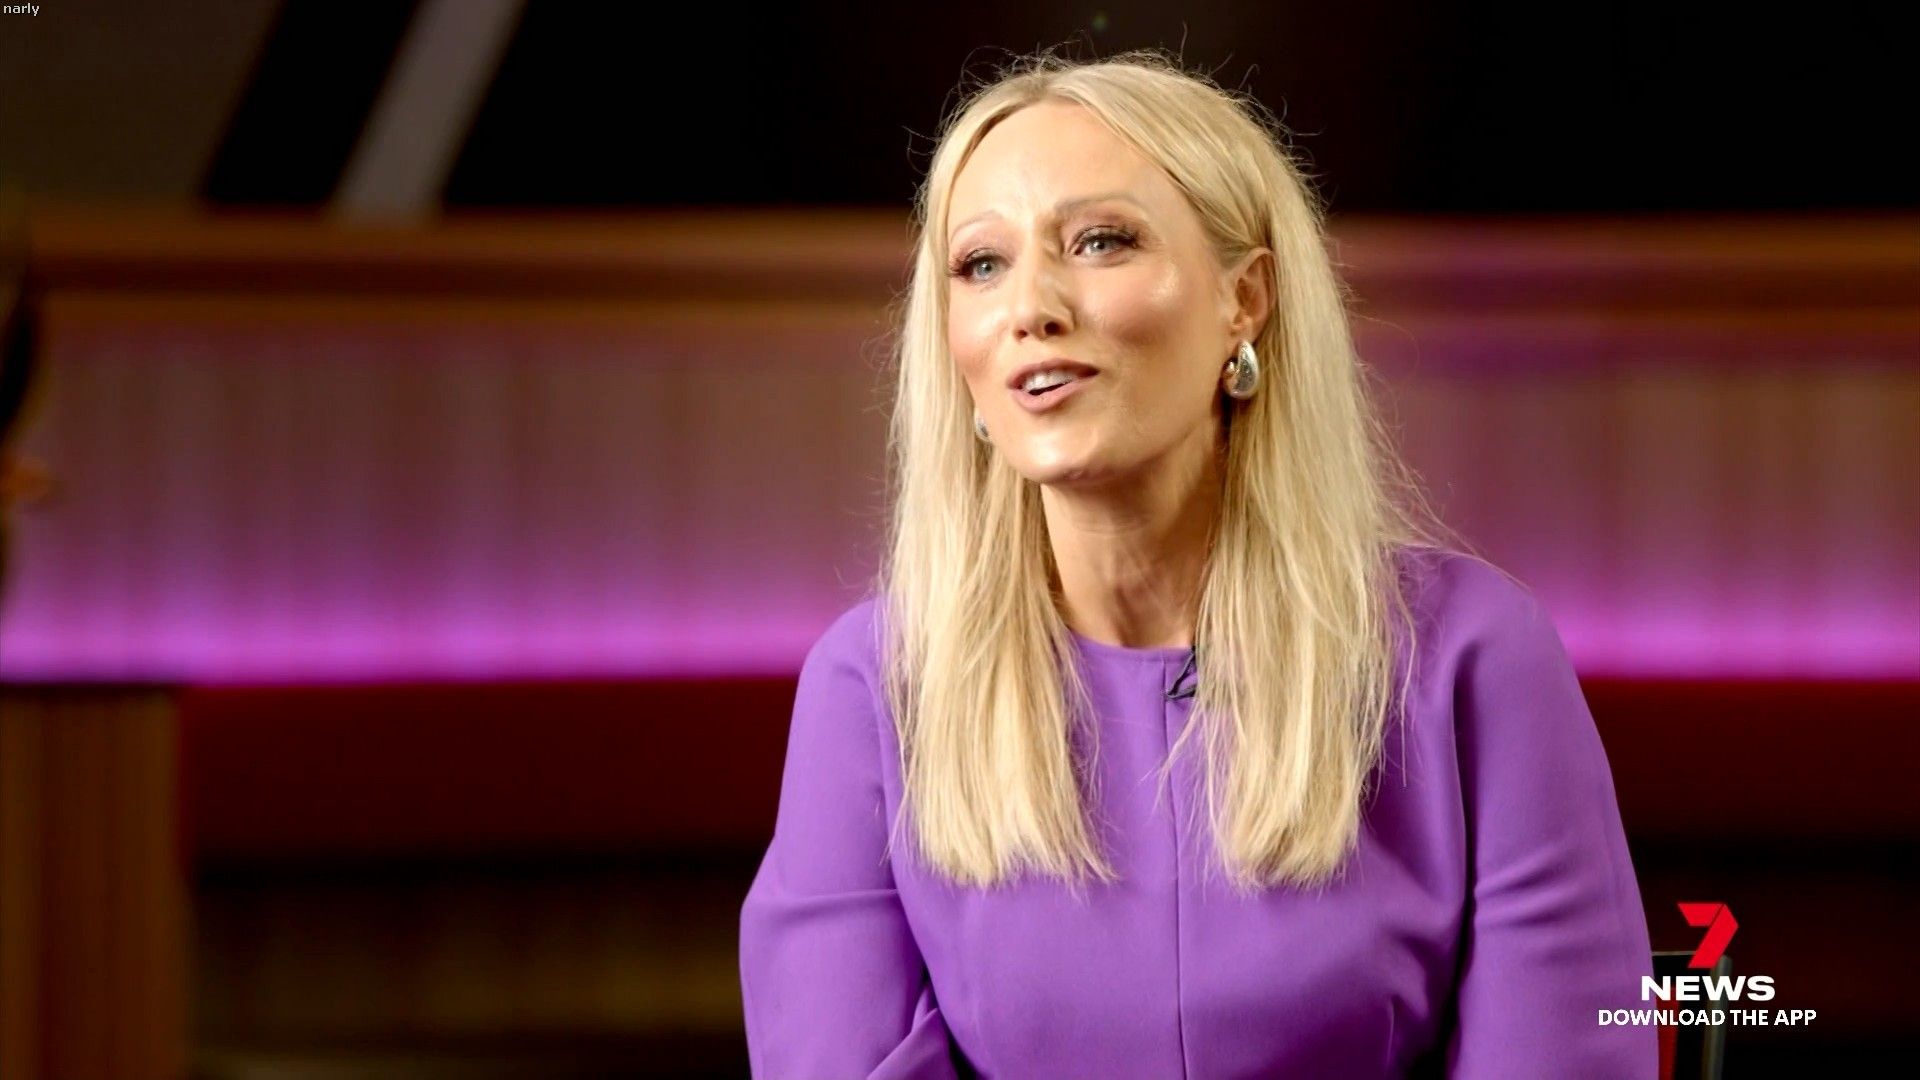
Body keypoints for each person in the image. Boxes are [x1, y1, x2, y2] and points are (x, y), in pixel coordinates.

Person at [739, 49, 1655, 1079]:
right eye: (981, 264)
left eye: (1101, 241)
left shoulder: (1471, 657)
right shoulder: (874, 686)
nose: (1030, 306)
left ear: (1244, 300)